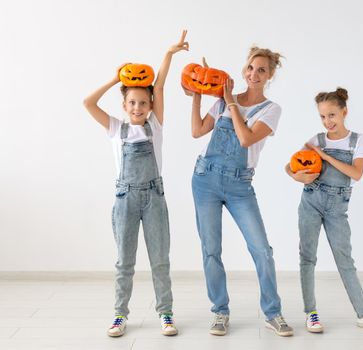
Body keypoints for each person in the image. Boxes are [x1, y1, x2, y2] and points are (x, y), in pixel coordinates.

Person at [83, 30, 189, 337]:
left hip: (154, 198)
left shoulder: (155, 126)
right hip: (125, 199)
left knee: (160, 260)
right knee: (124, 262)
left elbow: (160, 84)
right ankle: (120, 315)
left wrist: (168, 54)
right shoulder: (116, 129)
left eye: (143, 103)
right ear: (125, 104)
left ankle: (166, 313)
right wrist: (118, 79)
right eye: (132, 102)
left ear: (151, 105)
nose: (138, 108)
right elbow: (88, 102)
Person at [186, 47, 293, 337]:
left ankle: (273, 312)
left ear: (269, 75)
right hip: (205, 179)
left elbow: (245, 139)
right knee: (211, 251)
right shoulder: (221, 102)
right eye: (250, 68)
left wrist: (230, 100)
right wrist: (198, 91)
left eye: (261, 70)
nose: (253, 74)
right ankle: (220, 312)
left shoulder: (271, 109)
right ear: (244, 69)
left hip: (239, 185)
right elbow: (197, 131)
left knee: (262, 250)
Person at [285, 87, 363, 333]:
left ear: (344, 112)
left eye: (332, 115)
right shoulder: (316, 140)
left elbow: (356, 173)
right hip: (311, 201)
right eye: (323, 117)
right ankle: (310, 313)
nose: (327, 122)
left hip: (337, 208)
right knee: (307, 258)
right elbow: (289, 167)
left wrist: (324, 156)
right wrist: (299, 178)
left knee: (345, 260)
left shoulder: (357, 141)